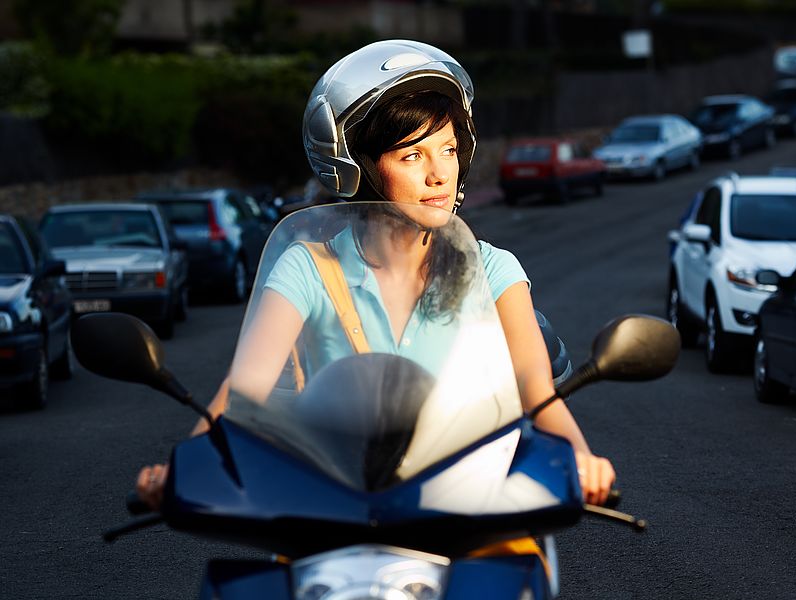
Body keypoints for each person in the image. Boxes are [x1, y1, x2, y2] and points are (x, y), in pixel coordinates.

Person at [137, 39, 614, 510]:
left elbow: (537, 391)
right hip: (336, 507)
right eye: (412, 156)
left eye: (448, 151)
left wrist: (581, 457)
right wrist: (183, 467)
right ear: (361, 169)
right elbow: (241, 394)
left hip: (467, 509)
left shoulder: (493, 269)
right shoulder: (309, 267)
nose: (439, 175)